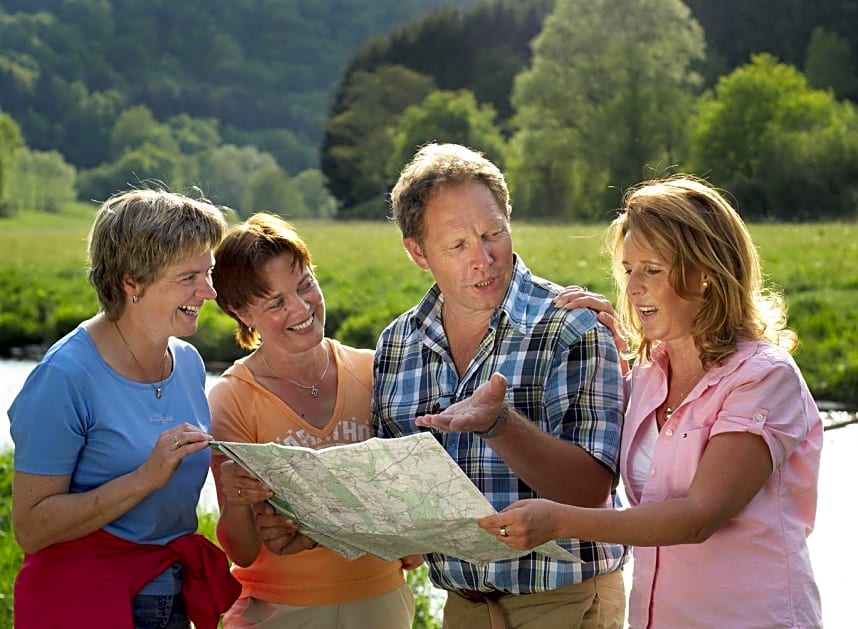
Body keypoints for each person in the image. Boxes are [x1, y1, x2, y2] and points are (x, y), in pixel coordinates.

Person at [480, 175, 824, 628]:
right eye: (628, 270)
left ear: (706, 275)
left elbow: (698, 517)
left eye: (652, 269)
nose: (633, 286)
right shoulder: (644, 377)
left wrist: (561, 522)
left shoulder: (764, 376)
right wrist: (604, 354)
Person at [373, 142, 627, 629]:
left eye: (494, 233)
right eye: (457, 246)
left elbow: (591, 490)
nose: (483, 258)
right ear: (417, 252)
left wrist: (500, 425)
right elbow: (396, 490)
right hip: (461, 607)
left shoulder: (571, 327)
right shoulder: (397, 344)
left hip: (564, 602)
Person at [8, 188, 239, 628]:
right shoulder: (64, 376)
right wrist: (144, 479)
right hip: (84, 602)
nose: (209, 291)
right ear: (131, 281)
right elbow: (31, 528)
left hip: (171, 595)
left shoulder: (188, 363)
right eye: (190, 277)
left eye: (208, 273)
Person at [208, 212, 420, 628]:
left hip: (380, 602)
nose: (302, 308)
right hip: (277, 610)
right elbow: (242, 551)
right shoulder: (231, 397)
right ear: (239, 312)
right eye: (276, 302)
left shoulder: (375, 372)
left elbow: (413, 543)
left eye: (305, 284)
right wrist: (236, 499)